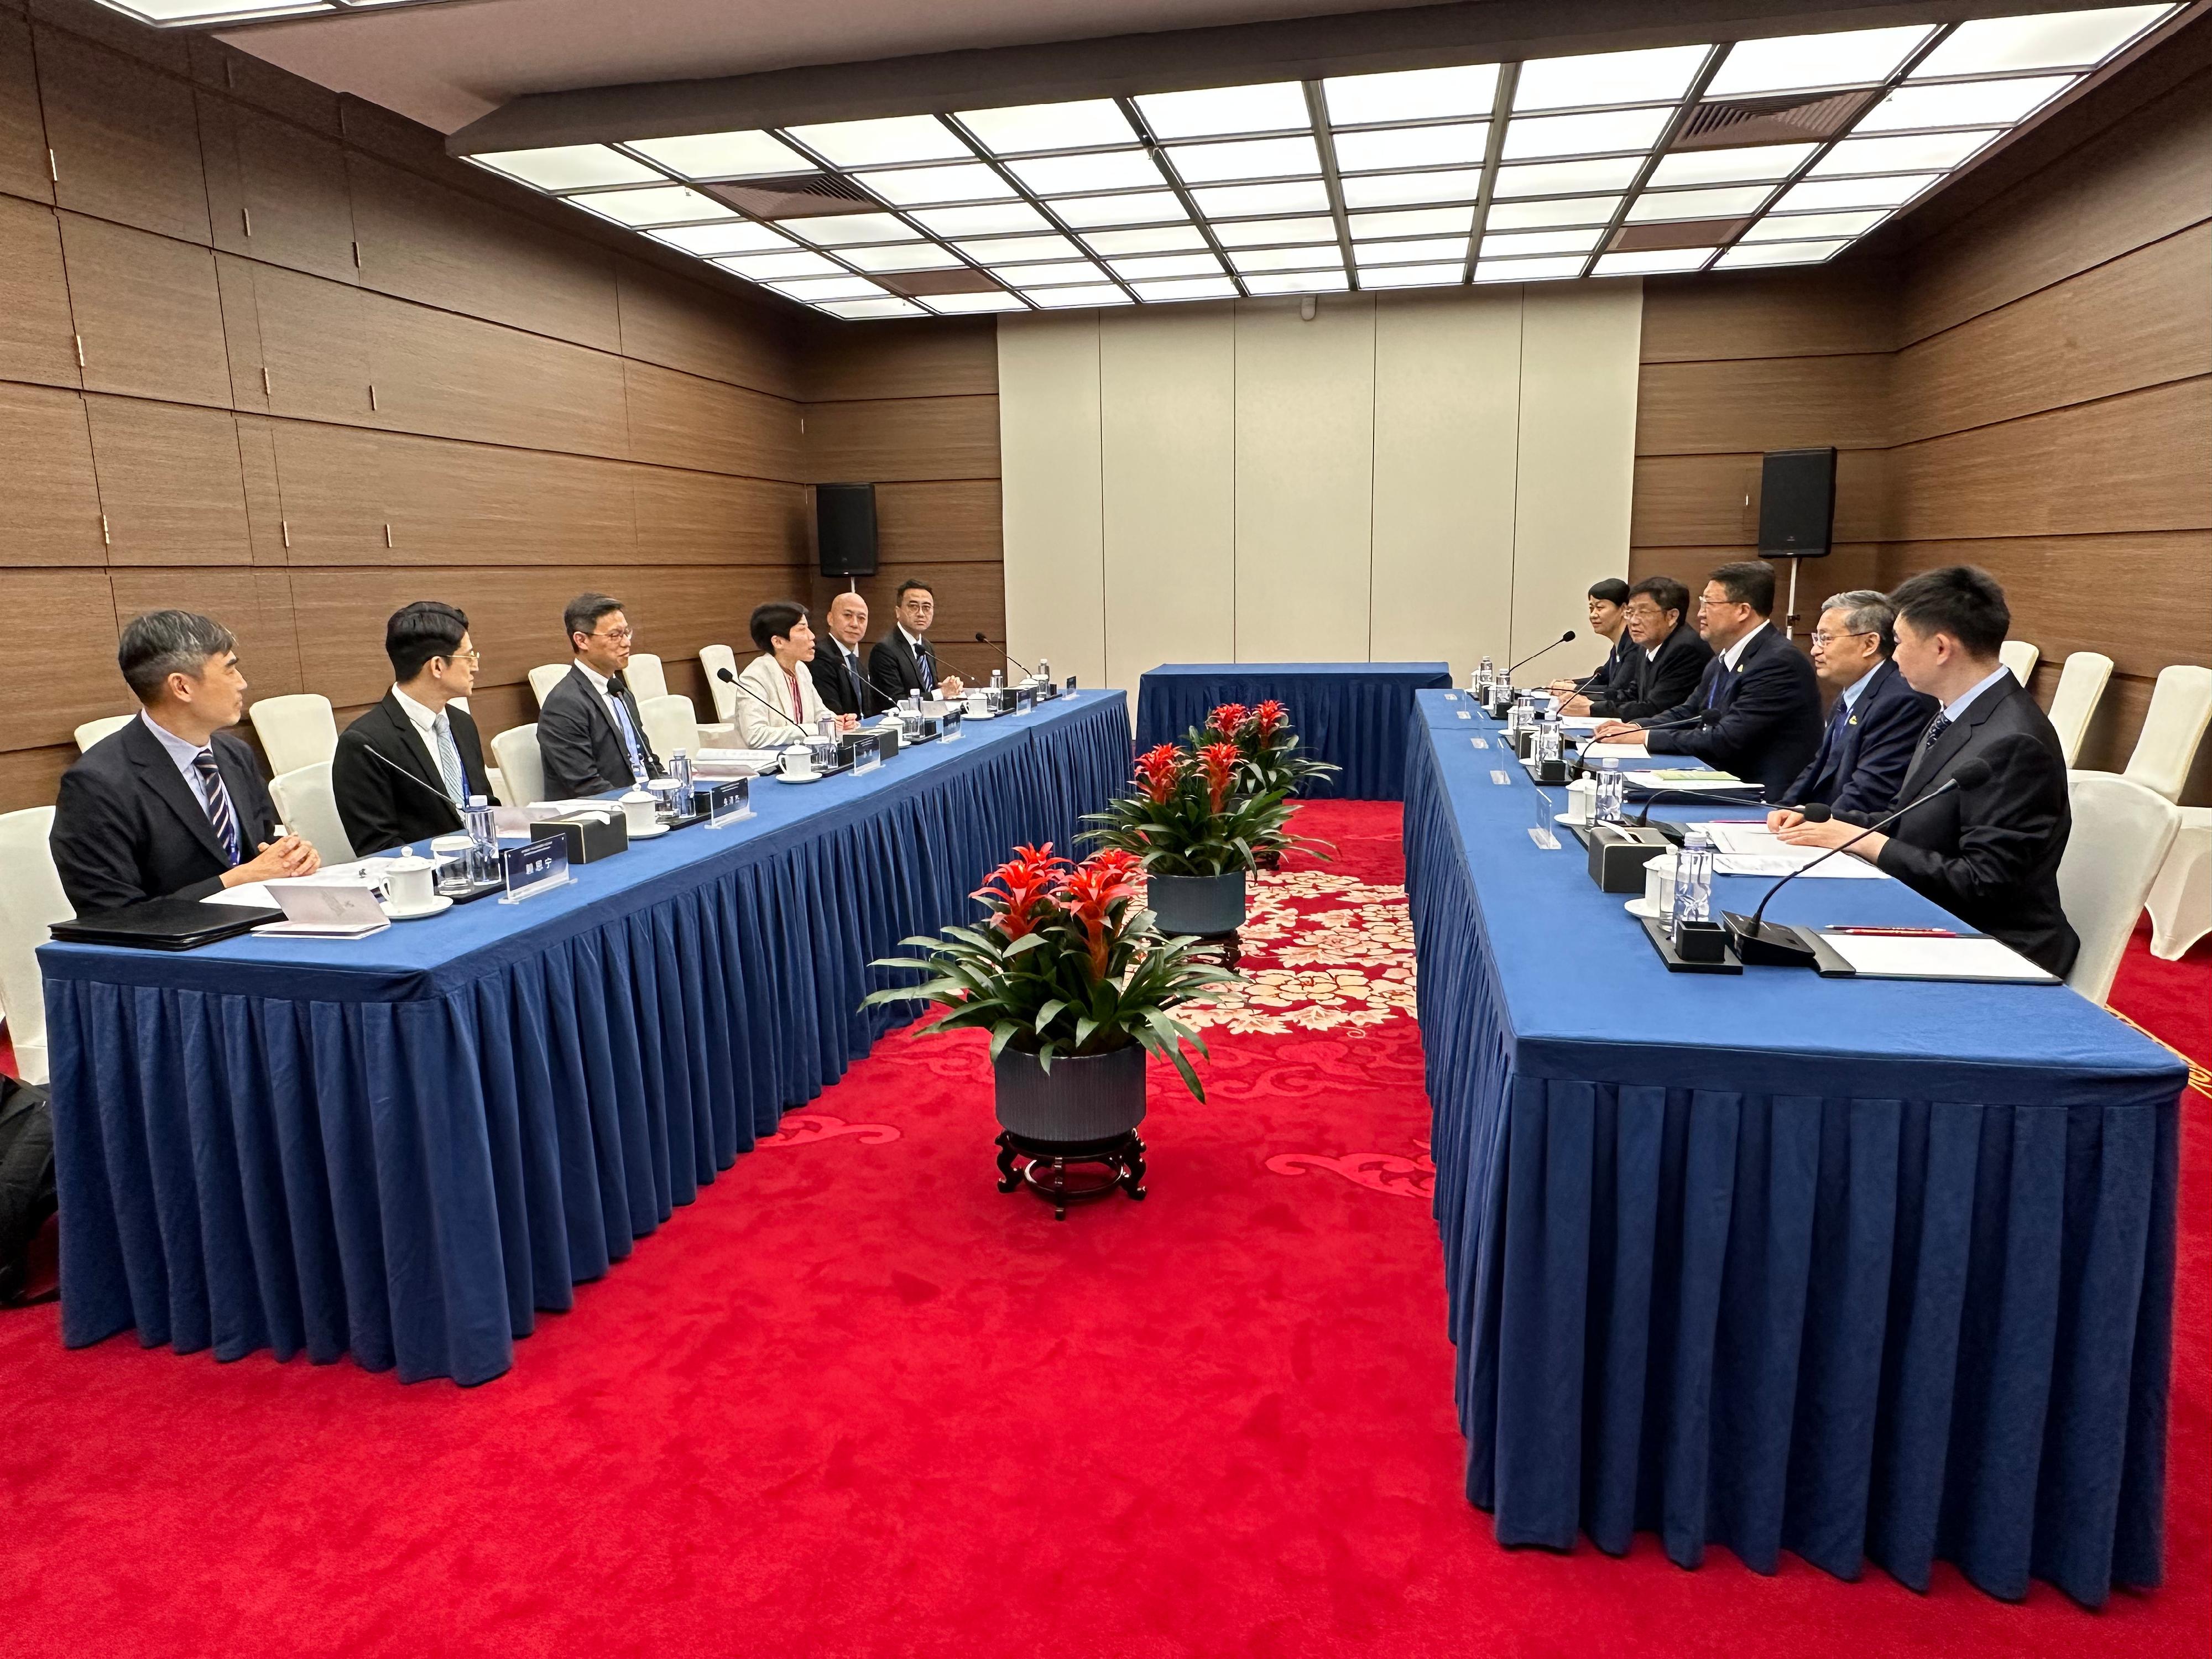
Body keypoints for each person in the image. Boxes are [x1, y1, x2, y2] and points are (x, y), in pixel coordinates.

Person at [1774, 565, 2078, 977]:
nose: (1893, 654)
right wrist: (1827, 821)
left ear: (1940, 648)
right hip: (1930, 913)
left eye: (1899, 642)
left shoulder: (2014, 742)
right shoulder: (1952, 713)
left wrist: (1864, 843)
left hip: (1991, 945)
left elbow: (1984, 884)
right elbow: (1906, 815)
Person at [50, 610, 319, 915]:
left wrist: (291, 858)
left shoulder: (234, 754)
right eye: (230, 670)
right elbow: (110, 916)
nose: (242, 683)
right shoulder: (97, 784)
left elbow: (260, 845)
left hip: (259, 928)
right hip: (174, 954)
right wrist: (234, 881)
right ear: (182, 687)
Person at [1593, 560, 1821, 799]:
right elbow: (1689, 711)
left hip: (1762, 799)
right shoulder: (1724, 657)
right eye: (1702, 603)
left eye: (1710, 604)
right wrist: (1636, 727)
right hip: (1719, 779)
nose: (1700, 613)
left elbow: (1725, 739)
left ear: (1742, 611)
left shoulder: (1777, 663)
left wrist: (1645, 737)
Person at [331, 601, 500, 857]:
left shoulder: (461, 723)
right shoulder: (365, 744)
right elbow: (379, 848)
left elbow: (486, 806)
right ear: (437, 666)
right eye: (468, 656)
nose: (475, 665)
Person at [1770, 589, 1936, 817]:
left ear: (1869, 643)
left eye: (1826, 639)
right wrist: (1780, 810)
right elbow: (1819, 768)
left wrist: (1809, 823)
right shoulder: (1853, 690)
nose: (1815, 649)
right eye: (1816, 638)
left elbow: (1869, 792)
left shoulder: (1902, 701)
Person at [538, 593, 662, 799]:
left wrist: (668, 789)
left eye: (626, 633)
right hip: (601, 814)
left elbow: (647, 759)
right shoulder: (564, 704)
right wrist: (642, 805)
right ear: (582, 640)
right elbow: (586, 786)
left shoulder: (618, 690)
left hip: (640, 802)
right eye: (615, 636)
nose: (626, 643)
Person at [1566, 576, 1710, 720]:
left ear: (1672, 616)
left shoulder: (1685, 649)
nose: (1634, 621)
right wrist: (1589, 703)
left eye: (1644, 613)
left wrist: (1592, 708)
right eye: (1630, 613)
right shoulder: (1647, 645)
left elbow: (1654, 708)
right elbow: (1632, 695)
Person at [734, 601, 854, 749]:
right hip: (772, 766)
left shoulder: (801, 669)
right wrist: (813, 729)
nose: (812, 636)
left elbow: (820, 713)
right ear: (778, 642)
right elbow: (755, 736)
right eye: (802, 629)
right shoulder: (755, 678)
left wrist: (838, 722)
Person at [868, 580, 965, 705]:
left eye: (926, 608)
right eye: (913, 607)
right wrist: (940, 693)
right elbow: (896, 701)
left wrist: (945, 689)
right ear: (898, 612)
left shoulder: (926, 646)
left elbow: (928, 691)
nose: (921, 614)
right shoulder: (885, 650)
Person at [1548, 578, 1632, 705]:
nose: (1593, 615)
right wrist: (1570, 684)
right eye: (1591, 608)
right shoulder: (1618, 646)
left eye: (1600, 608)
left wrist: (1573, 689)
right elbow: (1601, 679)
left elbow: (1618, 691)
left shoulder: (1636, 647)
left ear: (1624, 609)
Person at [810, 589, 887, 719]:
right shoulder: (820, 656)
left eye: (861, 618)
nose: (855, 624)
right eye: (848, 616)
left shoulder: (856, 662)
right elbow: (832, 713)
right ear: (831, 619)